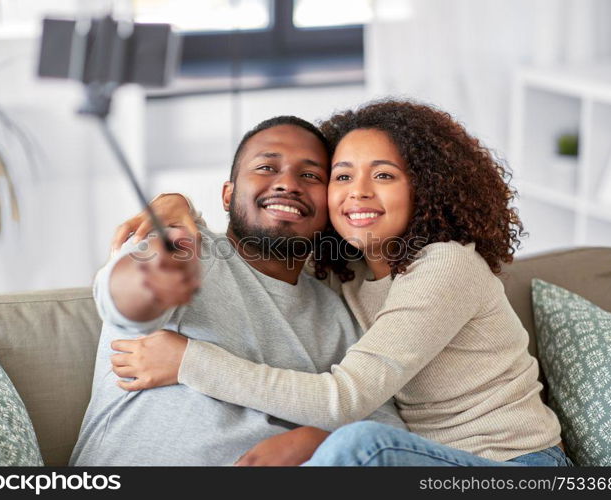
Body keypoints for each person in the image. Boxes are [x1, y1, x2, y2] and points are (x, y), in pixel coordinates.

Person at [109, 99, 573, 467]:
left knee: (362, 447)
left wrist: (190, 360)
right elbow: (259, 241)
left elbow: (343, 400)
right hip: (420, 461)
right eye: (341, 176)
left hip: (513, 465)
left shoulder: (445, 266)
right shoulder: (344, 275)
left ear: (424, 189)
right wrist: (178, 206)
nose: (359, 192)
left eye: (385, 176)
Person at [69, 115, 405, 466]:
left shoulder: (339, 314)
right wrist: (150, 280)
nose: (288, 184)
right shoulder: (183, 249)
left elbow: (384, 439)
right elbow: (122, 300)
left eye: (310, 175)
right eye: (266, 167)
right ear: (228, 195)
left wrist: (318, 440)